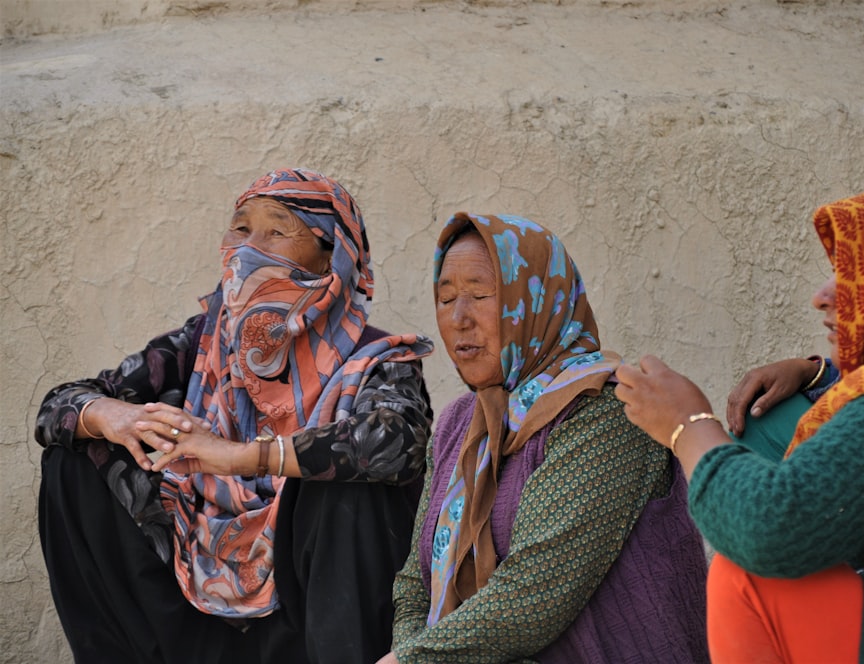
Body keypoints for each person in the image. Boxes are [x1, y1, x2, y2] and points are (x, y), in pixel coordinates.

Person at [35, 167, 435, 664]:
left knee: (343, 480)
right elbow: (57, 407)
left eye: (277, 229)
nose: (249, 247)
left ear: (332, 253)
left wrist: (239, 456)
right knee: (73, 457)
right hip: (194, 595)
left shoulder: (375, 358)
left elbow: (397, 444)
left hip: (312, 611)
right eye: (241, 228)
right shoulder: (202, 344)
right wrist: (113, 415)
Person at [616, 179, 864, 662]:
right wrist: (822, 371)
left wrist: (687, 424)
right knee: (764, 430)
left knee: (749, 574)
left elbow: (768, 528)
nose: (822, 296)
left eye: (856, 272)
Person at [379, 213, 709, 664]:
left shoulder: (605, 411)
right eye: (445, 298)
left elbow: (534, 592)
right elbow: (414, 581)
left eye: (480, 294)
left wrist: (409, 661)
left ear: (536, 300)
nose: (459, 318)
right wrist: (409, 650)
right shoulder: (462, 422)